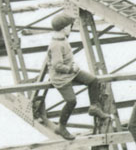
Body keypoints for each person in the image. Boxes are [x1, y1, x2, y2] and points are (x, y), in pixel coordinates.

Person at [41, 11, 105, 141]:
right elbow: (57, 65)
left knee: (93, 80)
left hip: (71, 72)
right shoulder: (56, 44)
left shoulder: (62, 39)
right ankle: (61, 127)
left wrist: (72, 67)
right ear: (65, 28)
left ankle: (94, 107)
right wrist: (71, 68)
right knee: (71, 101)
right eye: (70, 26)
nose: (71, 28)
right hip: (60, 77)